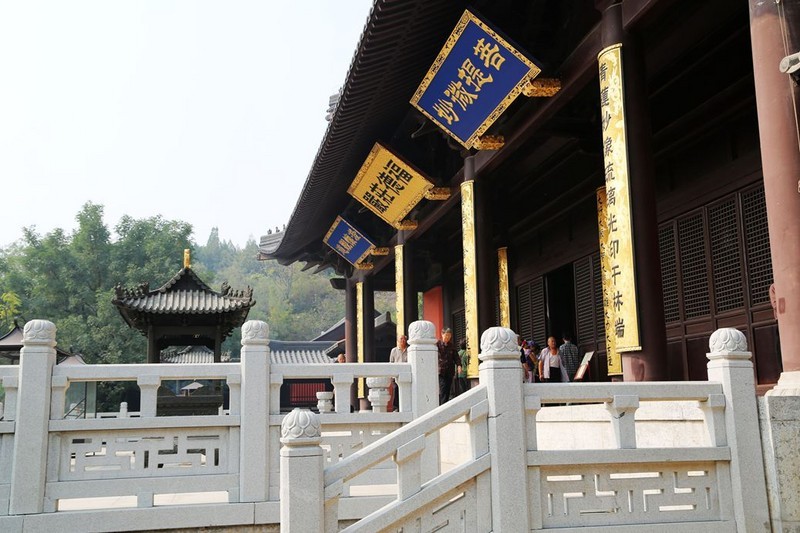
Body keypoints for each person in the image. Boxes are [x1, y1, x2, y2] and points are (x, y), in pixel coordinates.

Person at [436, 328, 461, 405]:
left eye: (449, 336)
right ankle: (442, 406)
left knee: (448, 390)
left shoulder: (452, 346)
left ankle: (445, 405)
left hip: (450, 372)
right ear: (442, 334)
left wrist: (459, 365)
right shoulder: (437, 345)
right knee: (443, 389)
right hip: (441, 371)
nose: (447, 337)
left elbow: (456, 357)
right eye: (446, 335)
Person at [388, 335, 408, 410]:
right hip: (396, 375)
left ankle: (405, 407)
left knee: (406, 391)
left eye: (404, 339)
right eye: (401, 339)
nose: (403, 340)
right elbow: (391, 362)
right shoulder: (394, 351)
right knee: (396, 391)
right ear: (398, 341)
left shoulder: (409, 350)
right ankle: (396, 408)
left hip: (406, 375)